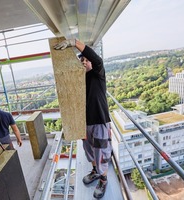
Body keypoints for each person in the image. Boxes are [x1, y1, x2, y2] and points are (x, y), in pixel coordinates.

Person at [54, 39, 112, 198]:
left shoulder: (98, 74)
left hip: (100, 122)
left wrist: (74, 43)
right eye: (82, 60)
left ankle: (104, 179)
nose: (85, 62)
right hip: (84, 124)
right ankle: (95, 171)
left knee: (102, 153)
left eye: (87, 60)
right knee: (90, 151)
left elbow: (97, 60)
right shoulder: (78, 81)